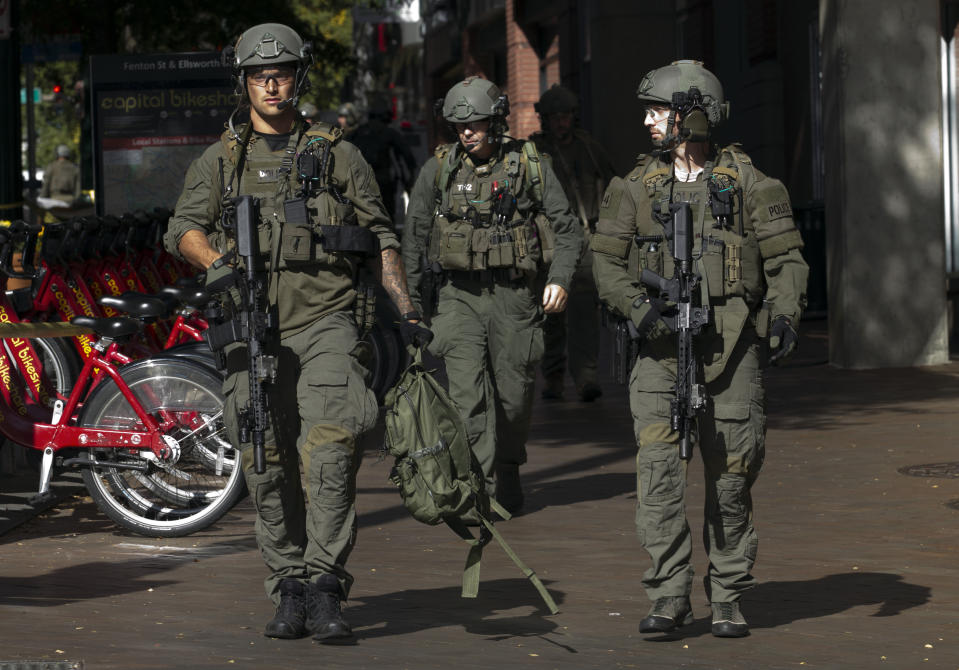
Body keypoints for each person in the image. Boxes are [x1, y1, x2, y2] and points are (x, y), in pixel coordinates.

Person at [163, 22, 430, 645]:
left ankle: (326, 583)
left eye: (281, 72)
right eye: (260, 75)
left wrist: (408, 310)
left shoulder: (337, 155)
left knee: (332, 451)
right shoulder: (221, 159)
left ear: (298, 78)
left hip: (327, 323)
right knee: (267, 460)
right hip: (251, 329)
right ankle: (288, 583)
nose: (272, 83)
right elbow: (182, 229)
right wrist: (219, 263)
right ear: (245, 83)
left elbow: (379, 236)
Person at [590, 60, 808, 638]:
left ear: (690, 116)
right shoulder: (633, 188)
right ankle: (668, 596)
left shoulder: (753, 186)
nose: (646, 121)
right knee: (659, 479)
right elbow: (605, 263)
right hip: (659, 354)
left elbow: (787, 260)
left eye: (656, 110)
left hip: (732, 351)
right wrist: (640, 309)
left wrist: (784, 314)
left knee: (732, 476)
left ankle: (729, 597)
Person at [401, 76, 582, 514]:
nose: (467, 132)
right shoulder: (438, 170)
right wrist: (411, 307)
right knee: (467, 398)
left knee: (514, 397)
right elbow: (414, 236)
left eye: (476, 123)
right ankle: (475, 490)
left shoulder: (529, 165)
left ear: (495, 121)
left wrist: (559, 277)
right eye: (459, 125)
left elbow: (567, 226)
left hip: (515, 297)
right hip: (457, 298)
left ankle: (510, 466)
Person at [530, 85, 616, 402]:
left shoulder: (589, 148)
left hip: (585, 239)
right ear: (545, 120)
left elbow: (611, 186)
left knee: (583, 311)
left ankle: (586, 377)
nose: (560, 122)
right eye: (554, 117)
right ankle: (553, 376)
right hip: (547, 241)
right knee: (550, 313)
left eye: (564, 116)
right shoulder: (534, 154)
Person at [348, 97, 417, 223]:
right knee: (387, 215)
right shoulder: (389, 132)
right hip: (383, 182)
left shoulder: (358, 132)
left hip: (360, 181)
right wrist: (409, 179)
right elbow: (407, 156)